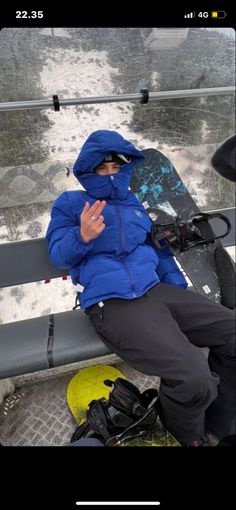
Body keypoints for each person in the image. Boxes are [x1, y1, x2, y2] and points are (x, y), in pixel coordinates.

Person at [46, 130, 235, 446]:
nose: (110, 175)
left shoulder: (134, 205)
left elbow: (159, 253)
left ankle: (218, 421)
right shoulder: (71, 203)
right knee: (193, 377)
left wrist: (179, 293)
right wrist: (83, 236)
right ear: (87, 172)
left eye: (116, 168)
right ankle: (190, 437)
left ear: (125, 169)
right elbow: (57, 254)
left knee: (232, 332)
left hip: (155, 291)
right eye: (101, 169)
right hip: (113, 302)